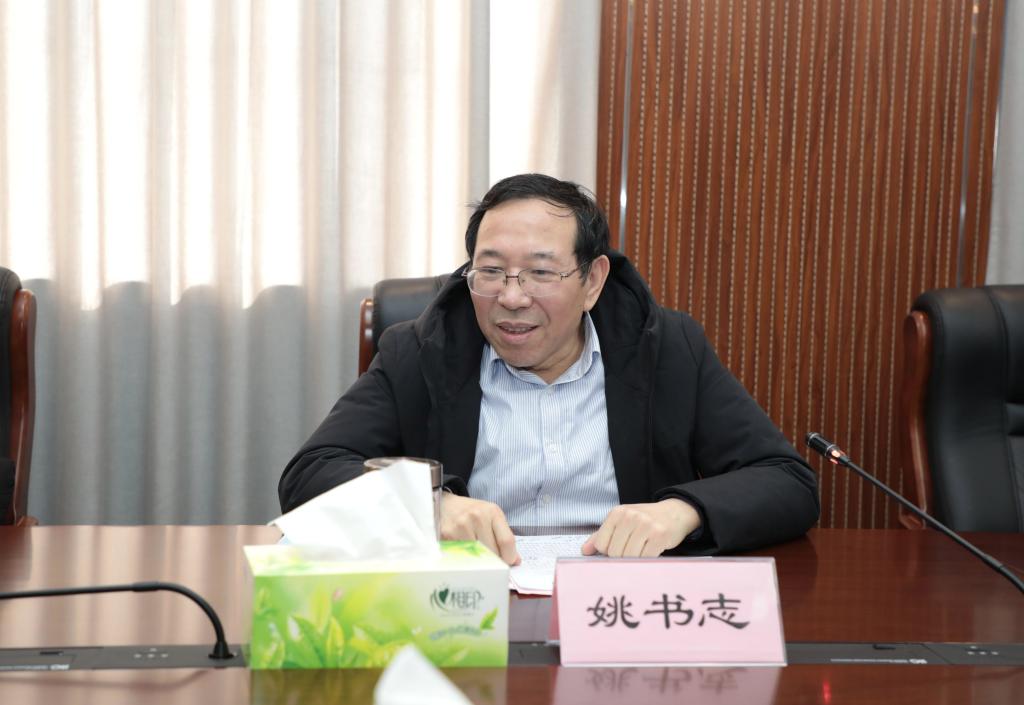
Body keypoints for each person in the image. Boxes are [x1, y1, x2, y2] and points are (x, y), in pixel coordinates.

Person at [279, 173, 820, 565]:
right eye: (491, 271)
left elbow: (787, 482)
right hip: (470, 608)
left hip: (618, 610)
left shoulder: (666, 348)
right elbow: (310, 475)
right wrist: (429, 506)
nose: (511, 298)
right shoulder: (421, 349)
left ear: (592, 281)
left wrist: (682, 511)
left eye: (540, 273)